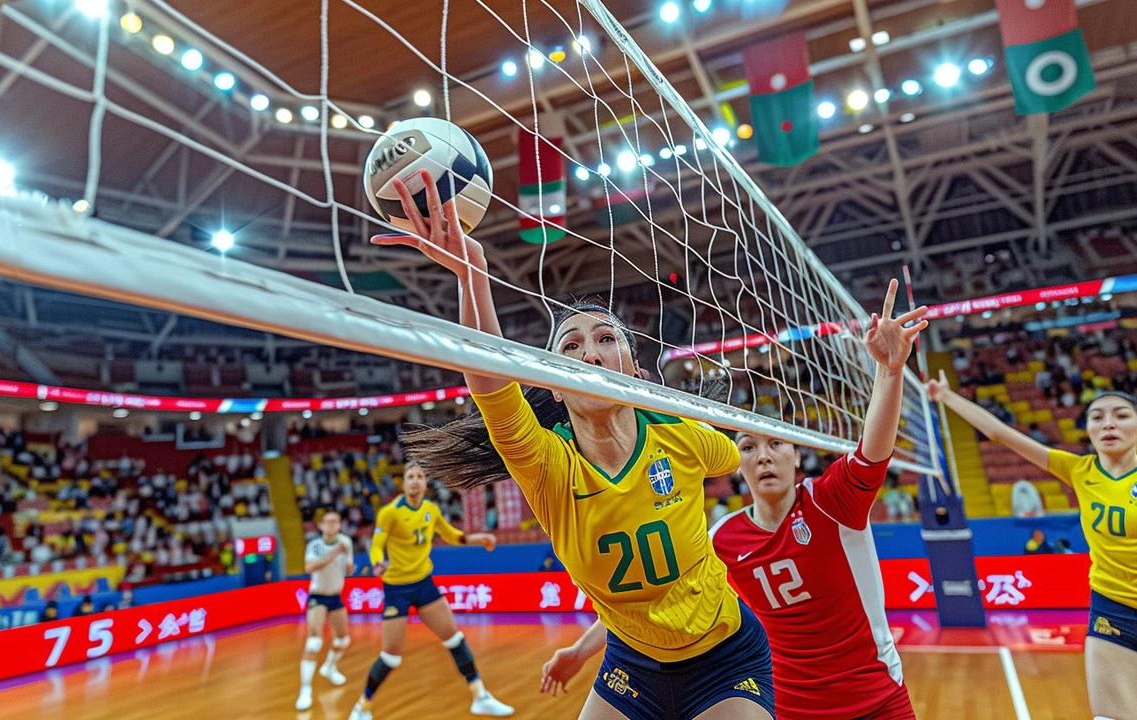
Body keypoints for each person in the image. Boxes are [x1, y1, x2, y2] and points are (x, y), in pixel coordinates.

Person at [381, 170, 776, 720]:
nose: (589, 353)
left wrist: (655, 405)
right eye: (571, 345)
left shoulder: (684, 439)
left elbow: (734, 454)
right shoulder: (547, 464)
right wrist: (474, 277)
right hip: (631, 664)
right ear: (553, 383)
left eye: (606, 338)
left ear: (634, 370)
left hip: (724, 658)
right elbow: (491, 384)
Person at [543, 281, 927, 719]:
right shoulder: (724, 537)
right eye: (748, 447)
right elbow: (663, 596)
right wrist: (579, 650)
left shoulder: (831, 501)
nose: (763, 456)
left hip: (874, 704)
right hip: (789, 709)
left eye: (776, 445)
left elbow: (873, 452)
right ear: (737, 464)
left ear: (796, 455)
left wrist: (890, 372)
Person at [927, 377, 1137, 720]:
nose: (1108, 422)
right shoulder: (1079, 470)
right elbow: (1000, 433)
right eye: (1097, 416)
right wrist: (945, 396)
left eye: (1121, 415)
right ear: (1087, 429)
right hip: (1112, 616)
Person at [348, 461, 510, 719]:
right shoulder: (390, 513)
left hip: (424, 584)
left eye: (420, 476)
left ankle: (480, 696)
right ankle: (363, 706)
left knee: (454, 638)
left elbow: (451, 534)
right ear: (403, 483)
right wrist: (377, 562)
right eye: (410, 476)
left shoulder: (431, 510)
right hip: (396, 589)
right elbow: (377, 545)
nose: (415, 480)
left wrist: (478, 538)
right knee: (391, 656)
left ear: (425, 483)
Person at [296, 509, 355, 711]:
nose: (332, 525)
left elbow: (348, 568)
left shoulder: (346, 543)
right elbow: (309, 567)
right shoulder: (315, 545)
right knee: (314, 642)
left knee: (343, 640)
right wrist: (334, 553)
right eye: (328, 522)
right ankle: (305, 690)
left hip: (335, 596)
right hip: (318, 596)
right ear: (321, 525)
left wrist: (348, 565)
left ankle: (330, 666)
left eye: (335, 522)